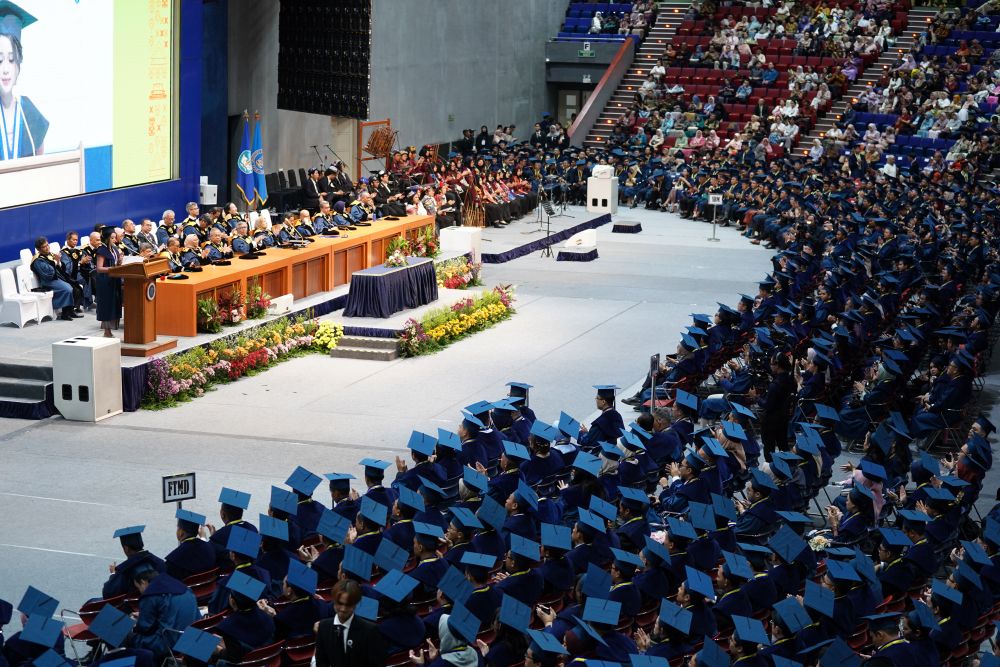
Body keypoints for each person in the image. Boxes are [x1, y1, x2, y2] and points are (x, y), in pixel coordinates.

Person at [0, 3, 47, 160]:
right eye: (0, 61)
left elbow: (41, 162)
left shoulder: (29, 112)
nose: (5, 69)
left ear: (18, 65)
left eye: (11, 60)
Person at [126, 568, 198, 663]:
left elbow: (144, 628)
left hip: (169, 644)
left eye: (138, 587)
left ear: (143, 582)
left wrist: (137, 623)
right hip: (193, 639)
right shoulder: (185, 589)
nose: (140, 592)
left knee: (127, 636)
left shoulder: (151, 595)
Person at [315, 579, 385, 667]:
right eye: (340, 603)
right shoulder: (323, 627)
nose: (343, 609)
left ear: (356, 604)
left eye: (348, 604)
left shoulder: (370, 630)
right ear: (333, 600)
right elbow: (321, 662)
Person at [30, 236, 82, 320]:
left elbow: (60, 268)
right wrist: (55, 261)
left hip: (57, 278)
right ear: (38, 249)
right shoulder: (38, 260)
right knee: (68, 289)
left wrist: (59, 262)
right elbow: (48, 273)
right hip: (48, 281)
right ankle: (65, 314)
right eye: (44, 247)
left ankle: (71, 311)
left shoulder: (50, 254)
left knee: (76, 287)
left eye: (47, 245)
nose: (47, 248)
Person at [93, 226, 123, 337]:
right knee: (106, 305)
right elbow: (99, 268)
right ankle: (106, 331)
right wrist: (113, 269)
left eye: (115, 237)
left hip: (114, 279)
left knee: (114, 304)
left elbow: (115, 264)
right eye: (112, 238)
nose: (115, 240)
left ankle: (110, 330)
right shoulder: (101, 251)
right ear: (106, 238)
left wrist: (119, 261)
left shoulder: (114, 249)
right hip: (105, 281)